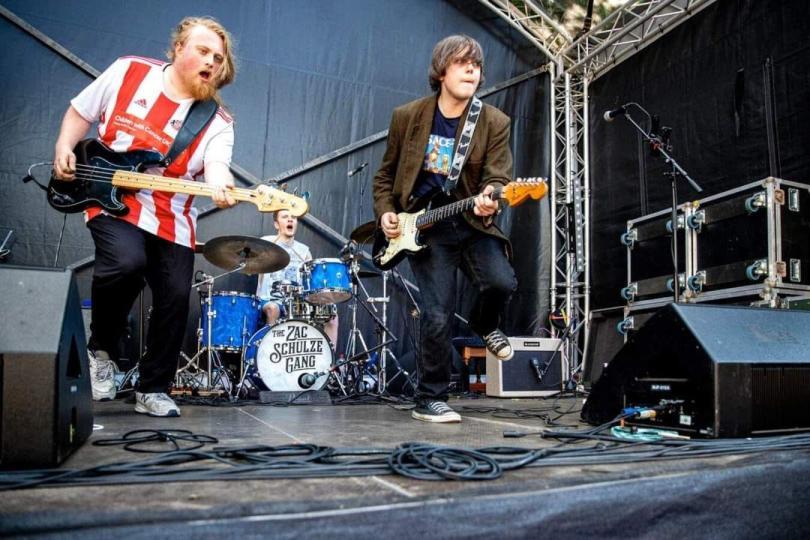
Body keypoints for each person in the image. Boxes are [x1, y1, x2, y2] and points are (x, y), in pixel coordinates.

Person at [52, 16, 240, 417]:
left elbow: (218, 165)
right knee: (125, 261)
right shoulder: (129, 71)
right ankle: (101, 348)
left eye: (218, 58)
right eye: (203, 51)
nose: (211, 61)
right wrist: (64, 147)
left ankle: (153, 388)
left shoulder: (217, 122)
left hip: (171, 216)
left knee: (175, 296)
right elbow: (79, 111)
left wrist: (223, 186)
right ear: (177, 50)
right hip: (110, 196)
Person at [372, 35, 518, 423]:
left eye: (477, 65)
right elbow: (385, 176)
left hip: (471, 221)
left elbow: (498, 179)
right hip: (424, 227)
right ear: (441, 71)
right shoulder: (408, 116)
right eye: (462, 63)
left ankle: (485, 324)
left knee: (502, 283)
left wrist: (492, 197)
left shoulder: (493, 122)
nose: (472, 69)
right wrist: (387, 212)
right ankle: (430, 398)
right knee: (437, 315)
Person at [256, 210, 339, 346]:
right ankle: (269, 355)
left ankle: (330, 364)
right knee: (273, 309)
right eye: (285, 217)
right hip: (268, 299)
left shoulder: (304, 251)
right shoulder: (266, 243)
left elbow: (311, 284)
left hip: (296, 303)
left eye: (293, 217)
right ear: (276, 224)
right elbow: (251, 265)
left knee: (331, 313)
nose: (290, 220)